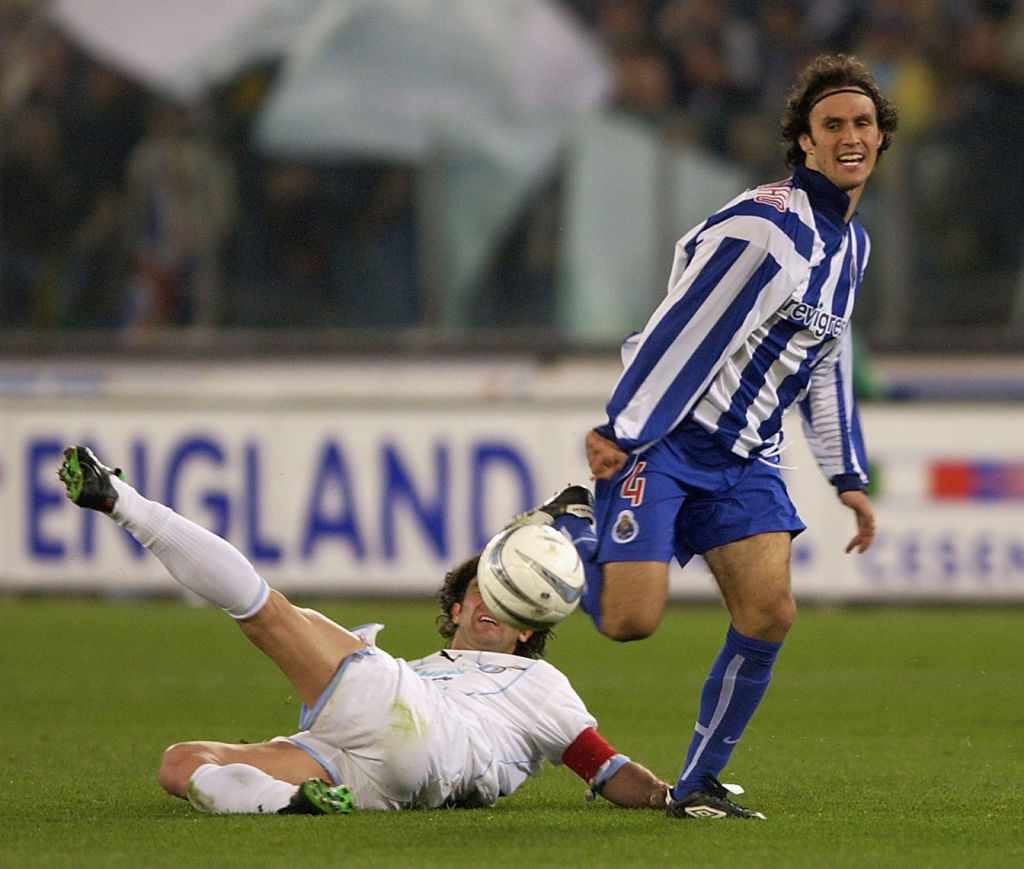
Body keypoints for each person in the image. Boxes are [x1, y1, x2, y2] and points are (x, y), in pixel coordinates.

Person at [520, 54, 898, 819]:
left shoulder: (851, 246)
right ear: (803, 142)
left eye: (863, 123)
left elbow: (826, 358)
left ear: (881, 138)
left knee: (770, 611)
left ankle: (696, 785)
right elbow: (686, 329)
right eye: (833, 125)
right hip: (666, 441)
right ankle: (568, 527)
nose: (850, 136)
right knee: (630, 622)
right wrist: (625, 428)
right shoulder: (769, 228)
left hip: (745, 455)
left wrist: (844, 471)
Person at [56, 445, 669, 815]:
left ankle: (123, 503)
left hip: (426, 733)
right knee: (181, 763)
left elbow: (607, 770)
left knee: (275, 615)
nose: (493, 606)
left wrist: (672, 795)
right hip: (374, 776)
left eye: (511, 606)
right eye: (482, 592)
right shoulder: (422, 673)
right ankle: (283, 804)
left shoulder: (539, 684)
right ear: (454, 609)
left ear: (529, 633)